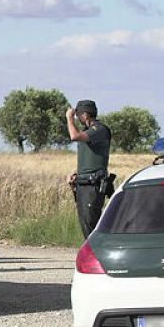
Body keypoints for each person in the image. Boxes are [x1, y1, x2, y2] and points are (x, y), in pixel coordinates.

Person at [67, 99, 112, 237]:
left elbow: (73, 136)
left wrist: (69, 118)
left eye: (78, 115)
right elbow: (90, 158)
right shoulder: (88, 132)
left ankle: (95, 255)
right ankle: (91, 254)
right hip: (83, 183)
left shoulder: (99, 130)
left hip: (93, 185)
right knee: (86, 223)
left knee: (91, 224)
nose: (77, 118)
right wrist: (76, 173)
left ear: (85, 115)